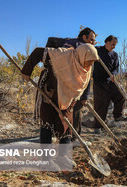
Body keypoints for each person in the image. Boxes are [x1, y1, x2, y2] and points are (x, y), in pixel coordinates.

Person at [21, 42, 98, 170]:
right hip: (49, 94)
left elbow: (78, 91)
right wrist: (26, 71)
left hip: (67, 98)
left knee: (66, 125)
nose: (90, 65)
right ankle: (46, 160)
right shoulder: (62, 55)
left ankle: (61, 157)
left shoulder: (85, 71)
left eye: (92, 62)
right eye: (89, 61)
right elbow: (38, 52)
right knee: (47, 124)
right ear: (82, 55)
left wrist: (68, 108)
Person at [93, 35, 127, 133]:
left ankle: (118, 116)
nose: (114, 46)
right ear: (107, 42)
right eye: (113, 44)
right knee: (101, 103)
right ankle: (97, 127)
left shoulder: (115, 55)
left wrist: (113, 74)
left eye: (115, 45)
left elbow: (116, 68)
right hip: (99, 82)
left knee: (121, 94)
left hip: (110, 81)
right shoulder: (97, 50)